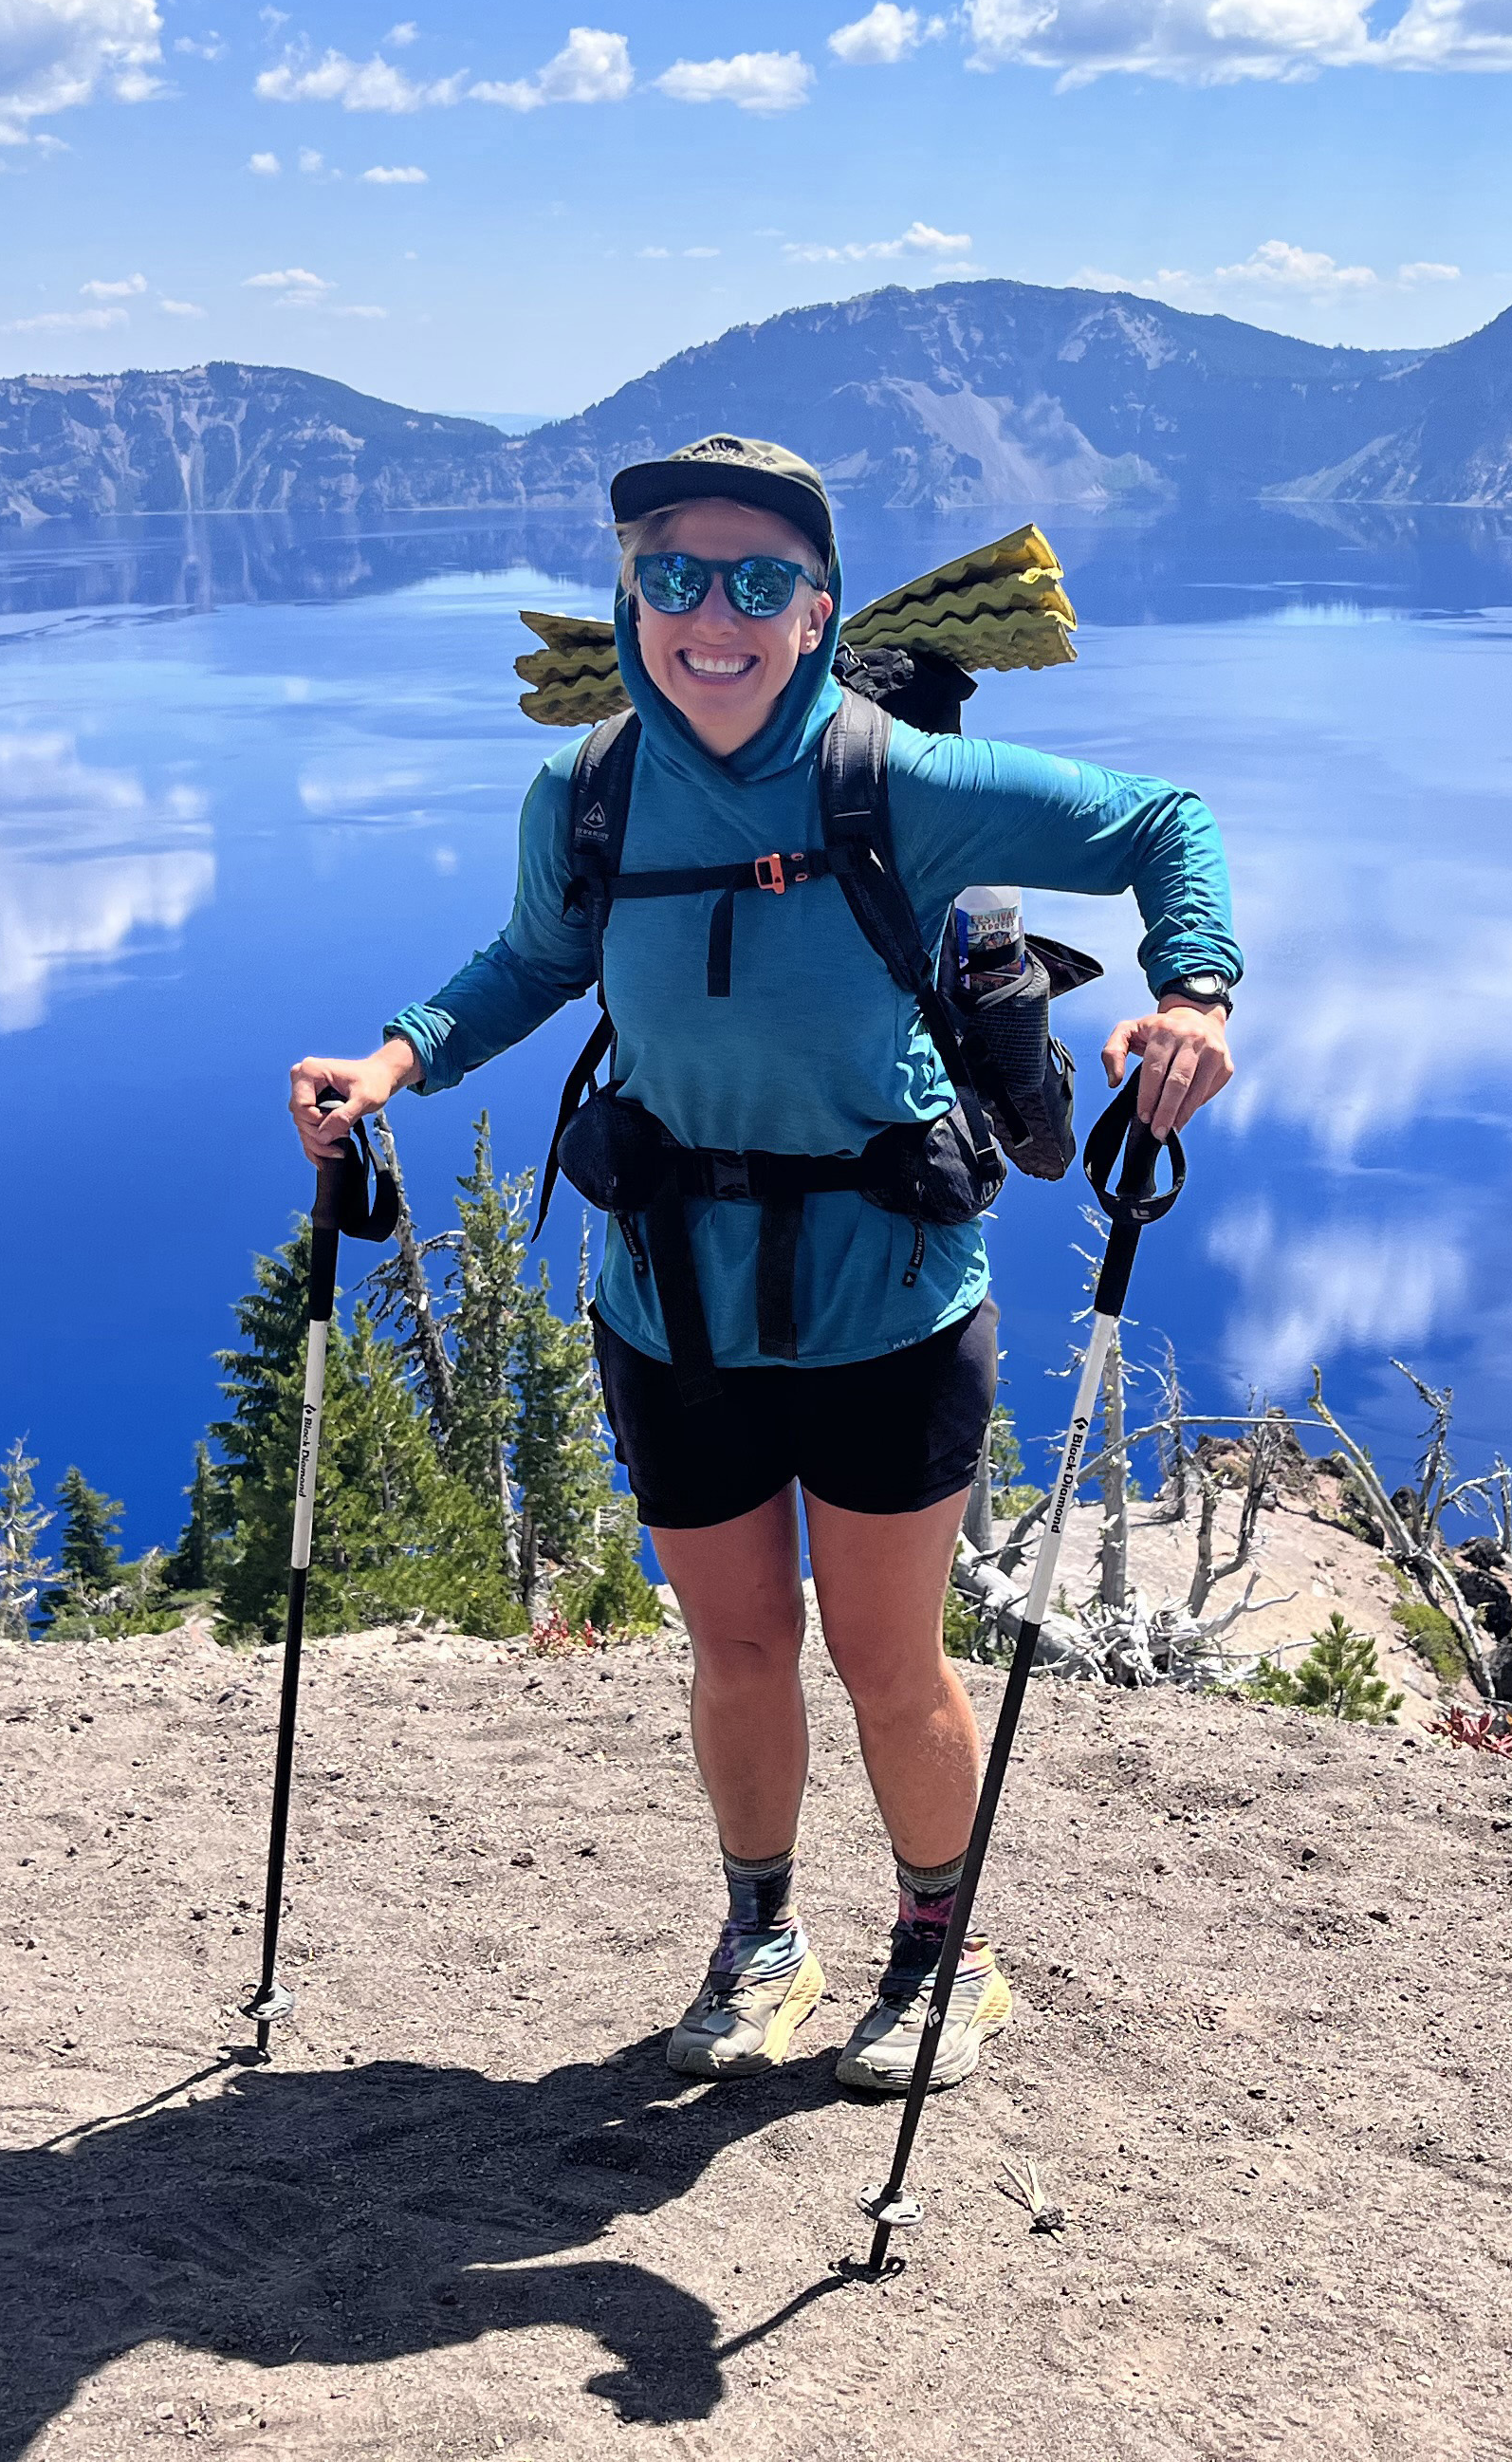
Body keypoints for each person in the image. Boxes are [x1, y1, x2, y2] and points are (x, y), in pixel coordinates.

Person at [286, 435, 1238, 2095]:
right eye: (670, 576)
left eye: (754, 582)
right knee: (732, 1649)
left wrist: (1198, 995)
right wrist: (395, 1063)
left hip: (887, 1298)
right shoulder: (586, 793)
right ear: (629, 596)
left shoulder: (899, 786)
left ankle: (946, 1949)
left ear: (816, 609)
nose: (707, 615)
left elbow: (1166, 823)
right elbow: (531, 961)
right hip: (673, 1297)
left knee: (886, 1658)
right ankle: (763, 1938)